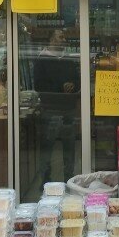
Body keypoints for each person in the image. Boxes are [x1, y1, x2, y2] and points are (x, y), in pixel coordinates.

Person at [33, 29, 80, 185]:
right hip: (50, 109)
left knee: (69, 148)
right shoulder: (41, 59)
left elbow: (78, 80)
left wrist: (74, 85)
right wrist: (61, 86)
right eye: (61, 37)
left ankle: (69, 180)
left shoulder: (69, 58)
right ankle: (46, 181)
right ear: (51, 40)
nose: (64, 39)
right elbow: (39, 85)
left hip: (68, 109)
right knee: (47, 148)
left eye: (64, 36)